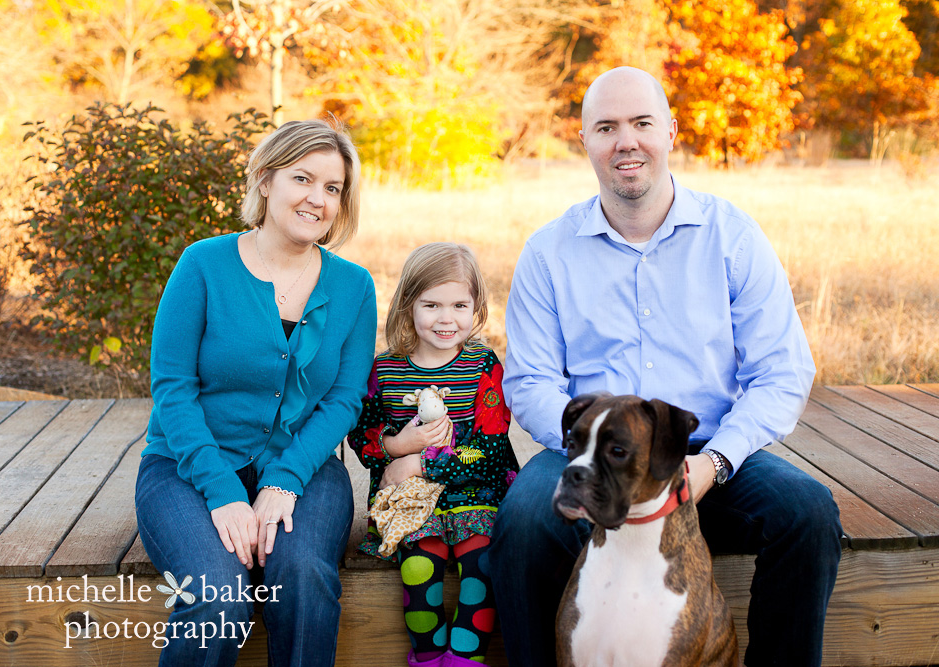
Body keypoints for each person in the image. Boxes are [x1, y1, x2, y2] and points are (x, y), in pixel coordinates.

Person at [487, 66, 843, 667]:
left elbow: (782, 371)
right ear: (585, 142)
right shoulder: (549, 252)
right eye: (606, 127)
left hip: (706, 453)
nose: (626, 141)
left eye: (641, 124)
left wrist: (716, 462)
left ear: (671, 132)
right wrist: (590, 451)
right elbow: (530, 383)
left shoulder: (730, 235)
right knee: (523, 525)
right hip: (593, 452)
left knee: (807, 514)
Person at [135, 118, 376, 666]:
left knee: (304, 579)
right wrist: (223, 492)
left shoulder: (354, 287)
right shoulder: (203, 265)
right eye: (302, 179)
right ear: (265, 181)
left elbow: (343, 400)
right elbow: (172, 389)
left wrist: (285, 481)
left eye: (333, 188)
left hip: (305, 468)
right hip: (185, 467)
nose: (317, 198)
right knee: (218, 597)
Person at [348, 242, 520, 667]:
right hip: (411, 500)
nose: (447, 319)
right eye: (432, 305)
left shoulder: (483, 365)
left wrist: (422, 462)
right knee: (419, 570)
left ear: (476, 306)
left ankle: (465, 657)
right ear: (408, 305)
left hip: (476, 493)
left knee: (481, 566)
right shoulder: (385, 370)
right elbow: (361, 437)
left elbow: (492, 448)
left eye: (460, 305)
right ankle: (427, 656)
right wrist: (396, 447)